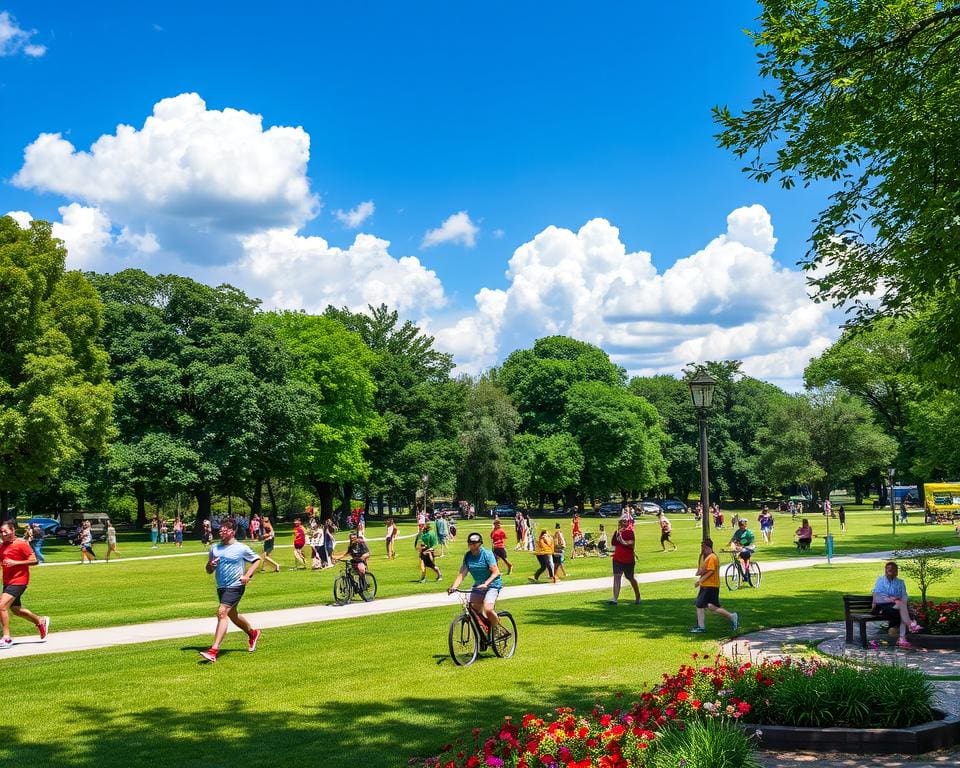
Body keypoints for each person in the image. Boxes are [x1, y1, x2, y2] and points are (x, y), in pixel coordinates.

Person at [199, 518, 261, 663]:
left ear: (232, 532)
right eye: (220, 529)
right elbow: (208, 570)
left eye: (224, 530)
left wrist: (247, 575)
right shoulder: (215, 548)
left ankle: (213, 651)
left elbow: (257, 560)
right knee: (232, 615)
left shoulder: (241, 548)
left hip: (236, 585)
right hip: (222, 586)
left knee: (221, 612)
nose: (221, 532)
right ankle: (253, 633)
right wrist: (210, 565)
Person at [0, 520, 50, 648]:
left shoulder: (21, 544)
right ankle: (40, 621)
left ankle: (6, 638)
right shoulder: (3, 546)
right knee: (16, 610)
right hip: (8, 581)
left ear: (13, 531)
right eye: (1, 532)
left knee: (1, 606)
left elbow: (34, 560)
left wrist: (15, 563)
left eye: (5, 531)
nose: (3, 534)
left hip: (19, 581)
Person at [447, 532, 504, 635]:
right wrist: (454, 587)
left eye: (474, 543)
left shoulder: (487, 554)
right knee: (473, 609)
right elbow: (462, 573)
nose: (472, 545)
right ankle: (484, 630)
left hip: (492, 585)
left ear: (480, 543)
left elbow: (496, 572)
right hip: (478, 585)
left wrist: (486, 583)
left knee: (488, 609)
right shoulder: (468, 556)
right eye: (470, 543)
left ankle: (497, 629)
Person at [691, 537, 738, 633]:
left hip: (709, 586)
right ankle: (732, 616)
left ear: (708, 547)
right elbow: (704, 570)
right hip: (710, 585)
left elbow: (711, 571)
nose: (702, 549)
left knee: (699, 605)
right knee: (711, 606)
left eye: (703, 547)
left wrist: (700, 581)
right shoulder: (708, 557)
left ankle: (701, 627)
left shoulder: (712, 557)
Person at [872, 561, 923, 649]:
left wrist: (901, 600)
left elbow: (904, 595)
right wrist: (892, 599)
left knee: (902, 608)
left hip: (897, 605)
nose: (891, 571)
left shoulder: (900, 582)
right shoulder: (880, 580)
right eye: (889, 569)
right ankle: (910, 624)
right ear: (886, 570)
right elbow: (878, 596)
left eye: (894, 570)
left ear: (897, 571)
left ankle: (902, 638)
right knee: (903, 609)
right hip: (882, 605)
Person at [609, 518, 641, 605]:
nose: (622, 523)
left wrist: (622, 541)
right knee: (617, 577)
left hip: (628, 559)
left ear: (628, 523)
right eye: (621, 522)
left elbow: (630, 543)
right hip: (617, 558)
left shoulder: (630, 532)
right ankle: (614, 599)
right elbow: (613, 543)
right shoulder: (618, 532)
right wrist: (617, 532)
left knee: (630, 577)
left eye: (624, 521)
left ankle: (638, 595)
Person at [729, 519, 756, 585]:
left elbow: (750, 539)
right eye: (740, 525)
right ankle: (743, 574)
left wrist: (741, 544)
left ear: (745, 525)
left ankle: (746, 572)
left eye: (742, 525)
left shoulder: (748, 532)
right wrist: (731, 543)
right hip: (740, 547)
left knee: (745, 558)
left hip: (748, 547)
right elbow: (734, 538)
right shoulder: (738, 532)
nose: (741, 527)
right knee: (738, 560)